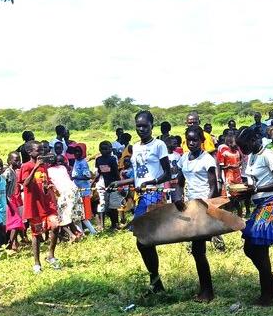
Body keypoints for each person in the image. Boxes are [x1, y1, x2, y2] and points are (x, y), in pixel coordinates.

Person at [114, 110, 174, 293]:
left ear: (151, 126)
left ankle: (155, 281)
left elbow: (167, 173)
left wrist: (153, 182)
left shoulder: (159, 145)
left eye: (145, 126)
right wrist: (121, 182)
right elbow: (140, 176)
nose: (141, 129)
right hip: (140, 195)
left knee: (144, 240)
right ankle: (156, 282)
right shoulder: (136, 147)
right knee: (143, 241)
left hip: (154, 195)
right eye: (138, 126)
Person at [237, 125, 273, 304]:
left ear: (252, 141)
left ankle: (268, 292)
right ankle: (272, 286)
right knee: (251, 248)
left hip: (272, 203)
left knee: (258, 247)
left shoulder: (268, 155)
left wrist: (257, 188)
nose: (242, 150)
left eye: (243, 146)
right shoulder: (251, 157)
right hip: (260, 204)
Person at [171, 125, 217, 302]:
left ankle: (207, 291)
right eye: (189, 140)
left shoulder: (207, 160)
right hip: (189, 207)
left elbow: (214, 187)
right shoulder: (184, 159)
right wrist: (177, 196)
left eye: (195, 140)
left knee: (198, 250)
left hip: (203, 206)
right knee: (197, 250)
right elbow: (180, 183)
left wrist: (207, 208)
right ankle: (205, 289)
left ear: (202, 141)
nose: (192, 143)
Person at [93, 142, 121, 231]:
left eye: (106, 148)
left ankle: (115, 224)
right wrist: (94, 181)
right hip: (102, 184)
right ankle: (102, 225)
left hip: (113, 184)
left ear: (110, 149)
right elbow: (99, 172)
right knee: (103, 204)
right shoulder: (98, 160)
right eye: (102, 149)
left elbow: (116, 173)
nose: (104, 151)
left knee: (113, 206)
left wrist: (119, 184)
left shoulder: (112, 159)